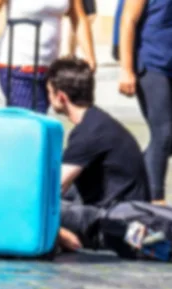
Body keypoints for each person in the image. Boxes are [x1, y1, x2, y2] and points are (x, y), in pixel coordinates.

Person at [118, 0, 172, 205]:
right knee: (163, 135)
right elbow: (128, 20)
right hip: (150, 64)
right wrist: (126, 69)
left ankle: (128, 173)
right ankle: (156, 201)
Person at [0, 0, 96, 113]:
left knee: (36, 119)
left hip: (50, 67)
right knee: (29, 119)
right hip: (17, 64)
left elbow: (79, 17)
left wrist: (89, 55)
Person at [47, 57, 150, 207]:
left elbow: (55, 187)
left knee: (43, 207)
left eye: (49, 92)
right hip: (129, 206)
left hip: (119, 219)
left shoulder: (87, 133)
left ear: (61, 97)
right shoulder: (97, 120)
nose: (48, 98)